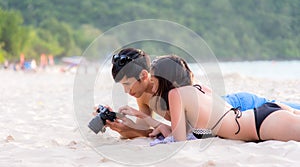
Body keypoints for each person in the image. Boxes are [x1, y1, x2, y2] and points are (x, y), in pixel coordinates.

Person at [106, 48, 300, 138]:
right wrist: (131, 123)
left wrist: (151, 124)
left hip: (247, 109)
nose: (126, 90)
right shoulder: (198, 90)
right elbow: (198, 132)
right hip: (256, 116)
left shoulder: (176, 96)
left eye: (127, 84)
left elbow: (181, 138)